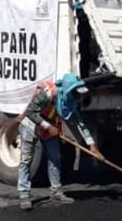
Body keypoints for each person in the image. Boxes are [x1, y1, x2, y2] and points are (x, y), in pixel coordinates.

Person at [16, 73, 101, 211]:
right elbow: (30, 112)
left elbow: (79, 122)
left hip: (51, 126)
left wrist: (91, 144)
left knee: (55, 159)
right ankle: (24, 194)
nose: (77, 97)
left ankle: (56, 192)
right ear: (68, 89)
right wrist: (48, 127)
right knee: (26, 160)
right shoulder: (47, 93)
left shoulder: (70, 101)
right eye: (75, 93)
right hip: (31, 126)